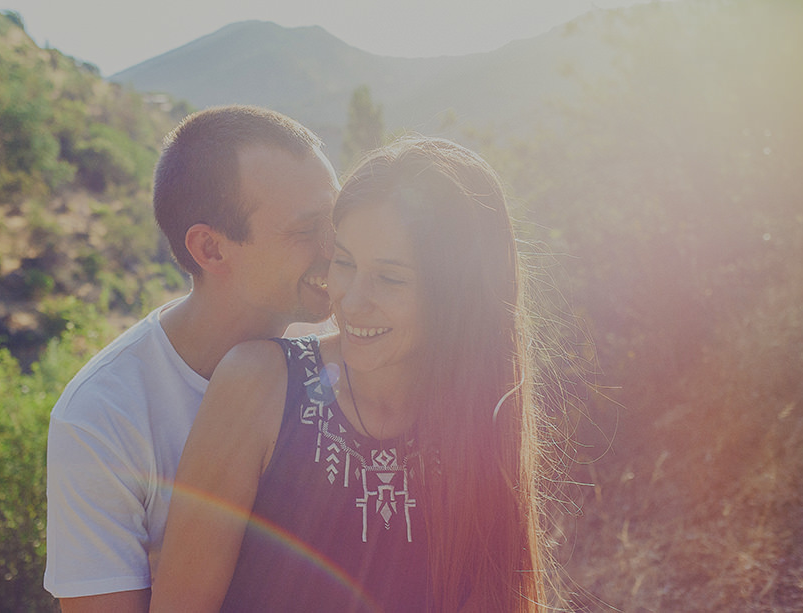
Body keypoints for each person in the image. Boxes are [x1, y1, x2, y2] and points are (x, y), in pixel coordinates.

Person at [151, 136, 548, 612]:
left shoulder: (485, 412)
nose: (352, 300)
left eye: (391, 277)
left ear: (460, 296)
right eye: (345, 262)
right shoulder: (258, 385)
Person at [44, 105, 339, 611]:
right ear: (212, 249)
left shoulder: (353, 350)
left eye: (337, 218)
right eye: (306, 229)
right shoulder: (101, 420)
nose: (336, 246)